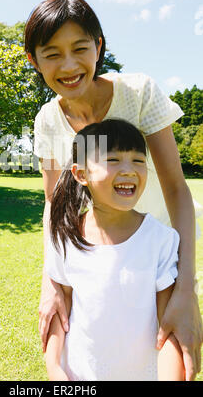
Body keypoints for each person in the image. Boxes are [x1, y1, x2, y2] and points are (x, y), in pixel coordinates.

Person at [24, 0, 203, 381]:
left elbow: (176, 190)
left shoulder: (138, 93)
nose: (69, 66)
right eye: (52, 53)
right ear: (33, 60)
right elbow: (54, 203)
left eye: (80, 49)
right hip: (96, 256)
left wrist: (186, 291)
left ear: (99, 47)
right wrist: (50, 283)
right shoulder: (47, 121)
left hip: (159, 259)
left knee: (166, 355)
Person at [44, 118, 185, 381]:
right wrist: (54, 366)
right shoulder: (65, 235)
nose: (129, 170)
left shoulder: (161, 240)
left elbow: (169, 330)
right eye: (113, 160)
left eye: (138, 161)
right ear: (81, 174)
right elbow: (60, 309)